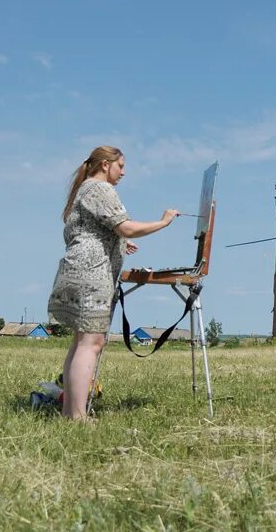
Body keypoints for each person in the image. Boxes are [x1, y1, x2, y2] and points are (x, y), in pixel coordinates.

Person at [47, 146, 178, 420]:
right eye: (121, 166)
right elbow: (126, 226)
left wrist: (118, 243)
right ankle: (77, 417)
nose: (124, 172)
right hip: (92, 273)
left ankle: (70, 413)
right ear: (106, 164)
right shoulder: (101, 189)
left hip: (77, 268)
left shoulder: (85, 188)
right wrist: (163, 222)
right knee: (91, 343)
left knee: (82, 342)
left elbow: (91, 229)